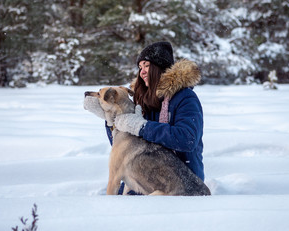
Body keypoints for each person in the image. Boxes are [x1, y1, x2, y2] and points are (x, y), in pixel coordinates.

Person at [84, 41, 205, 195]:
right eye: (140, 67)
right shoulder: (142, 99)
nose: (142, 71)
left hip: (182, 184)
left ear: (161, 67)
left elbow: (186, 139)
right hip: (143, 177)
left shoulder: (185, 98)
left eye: (147, 66)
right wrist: (110, 121)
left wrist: (142, 127)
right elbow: (125, 147)